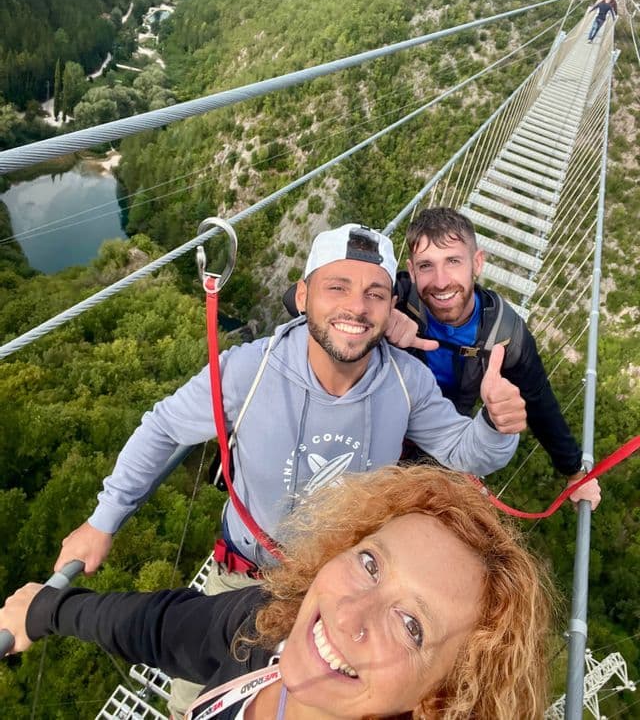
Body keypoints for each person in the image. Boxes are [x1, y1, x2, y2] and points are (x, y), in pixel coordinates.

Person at [54, 223, 526, 718]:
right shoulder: (249, 371)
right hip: (243, 576)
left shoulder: (407, 383)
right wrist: (102, 520)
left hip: (337, 590)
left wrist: (495, 425)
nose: (356, 307)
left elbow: (464, 452)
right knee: (194, 697)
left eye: (375, 294)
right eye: (336, 287)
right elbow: (165, 429)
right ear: (303, 296)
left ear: (390, 311)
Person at [2, 465, 552, 720]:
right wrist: (50, 611)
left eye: (412, 626)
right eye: (370, 563)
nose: (348, 614)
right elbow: (167, 628)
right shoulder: (266, 632)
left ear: (439, 700)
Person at [387, 207, 601, 509]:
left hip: (445, 434)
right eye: (426, 266)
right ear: (411, 270)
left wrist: (574, 471)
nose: (440, 280)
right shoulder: (392, 297)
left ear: (477, 263)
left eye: (453, 261)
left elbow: (539, 401)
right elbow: (305, 305)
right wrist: (378, 321)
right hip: (387, 419)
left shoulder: (506, 334)